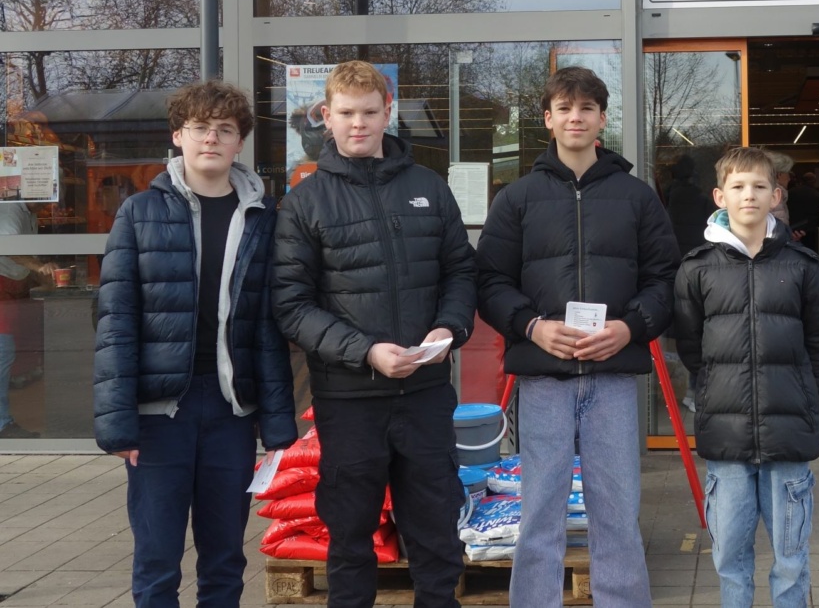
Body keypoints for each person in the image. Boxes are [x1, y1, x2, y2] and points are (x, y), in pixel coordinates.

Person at [272, 60, 476, 608]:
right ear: (325, 117)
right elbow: (291, 306)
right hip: (349, 400)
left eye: (368, 112)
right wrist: (366, 353)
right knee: (350, 537)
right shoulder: (304, 202)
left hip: (426, 395)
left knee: (436, 532)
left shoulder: (428, 187)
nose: (357, 124)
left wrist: (449, 328)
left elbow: (460, 271)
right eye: (345, 113)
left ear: (389, 112)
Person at [476, 66, 680, 607]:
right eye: (565, 108)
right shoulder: (516, 199)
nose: (575, 117)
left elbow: (667, 278)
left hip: (612, 382)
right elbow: (489, 281)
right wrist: (532, 327)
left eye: (586, 108)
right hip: (543, 382)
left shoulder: (637, 198)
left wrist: (629, 327)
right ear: (547, 119)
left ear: (602, 119)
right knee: (539, 510)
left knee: (616, 511)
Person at [93, 80, 298, 607]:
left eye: (225, 129)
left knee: (226, 557)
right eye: (201, 127)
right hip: (159, 415)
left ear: (239, 143)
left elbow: (268, 329)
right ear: (179, 135)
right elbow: (116, 320)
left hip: (230, 412)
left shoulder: (263, 218)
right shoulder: (139, 214)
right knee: (158, 560)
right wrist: (118, 422)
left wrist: (276, 423)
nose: (212, 138)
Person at [673, 146, 819, 608]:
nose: (749, 195)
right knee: (729, 557)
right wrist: (711, 393)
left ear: (776, 195)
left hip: (788, 435)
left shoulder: (803, 266)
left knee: (791, 559)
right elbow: (690, 345)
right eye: (738, 186)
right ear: (719, 196)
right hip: (725, 437)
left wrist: (805, 391)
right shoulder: (697, 267)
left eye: (760, 186)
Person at [0, 202, 57, 439]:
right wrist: (38, 267)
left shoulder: (29, 214)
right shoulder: (11, 209)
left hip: (11, 291)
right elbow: (9, 245)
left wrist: (41, 277)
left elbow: (24, 254)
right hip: (3, 288)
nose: (50, 203)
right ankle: (2, 423)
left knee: (5, 353)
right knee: (3, 353)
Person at [664, 153, 714, 412]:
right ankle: (695, 391)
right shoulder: (700, 198)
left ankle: (689, 391)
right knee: (702, 329)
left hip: (677, 262)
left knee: (687, 328)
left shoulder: (669, 196)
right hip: (700, 263)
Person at [787, 171, 819, 254]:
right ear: (814, 181)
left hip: (793, 227)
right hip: (810, 229)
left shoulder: (790, 193)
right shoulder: (818, 195)